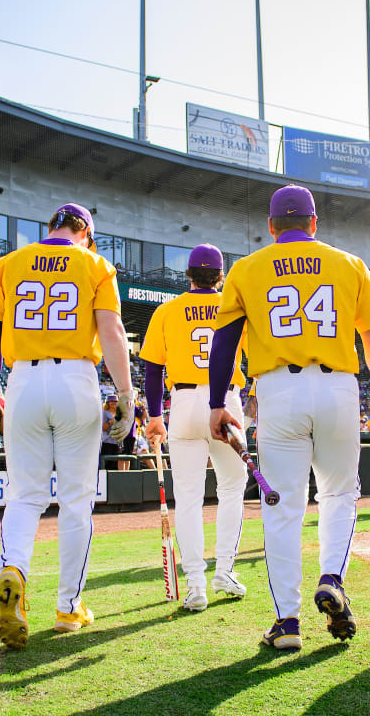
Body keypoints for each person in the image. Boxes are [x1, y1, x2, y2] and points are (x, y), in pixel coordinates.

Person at [206, 185, 370, 651]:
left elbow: (225, 343)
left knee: (284, 508)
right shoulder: (349, 263)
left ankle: (287, 622)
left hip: (279, 390)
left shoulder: (248, 268)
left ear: (271, 226)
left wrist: (217, 403)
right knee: (340, 493)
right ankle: (332, 577)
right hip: (338, 388)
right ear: (314, 223)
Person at [0, 202, 133, 649]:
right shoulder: (95, 263)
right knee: (76, 500)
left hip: (23, 379)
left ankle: (15, 573)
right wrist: (126, 394)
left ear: (51, 226)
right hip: (75, 380)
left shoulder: (8, 263)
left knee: (25, 496)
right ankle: (69, 606)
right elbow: (111, 332)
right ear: (84, 231)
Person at [140, 243, 251, 613]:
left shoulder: (167, 310)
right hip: (226, 400)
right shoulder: (234, 306)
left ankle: (195, 586)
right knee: (232, 489)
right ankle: (225, 571)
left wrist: (155, 416)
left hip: (184, 403)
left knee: (187, 497)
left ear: (187, 274)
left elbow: (153, 368)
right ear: (221, 275)